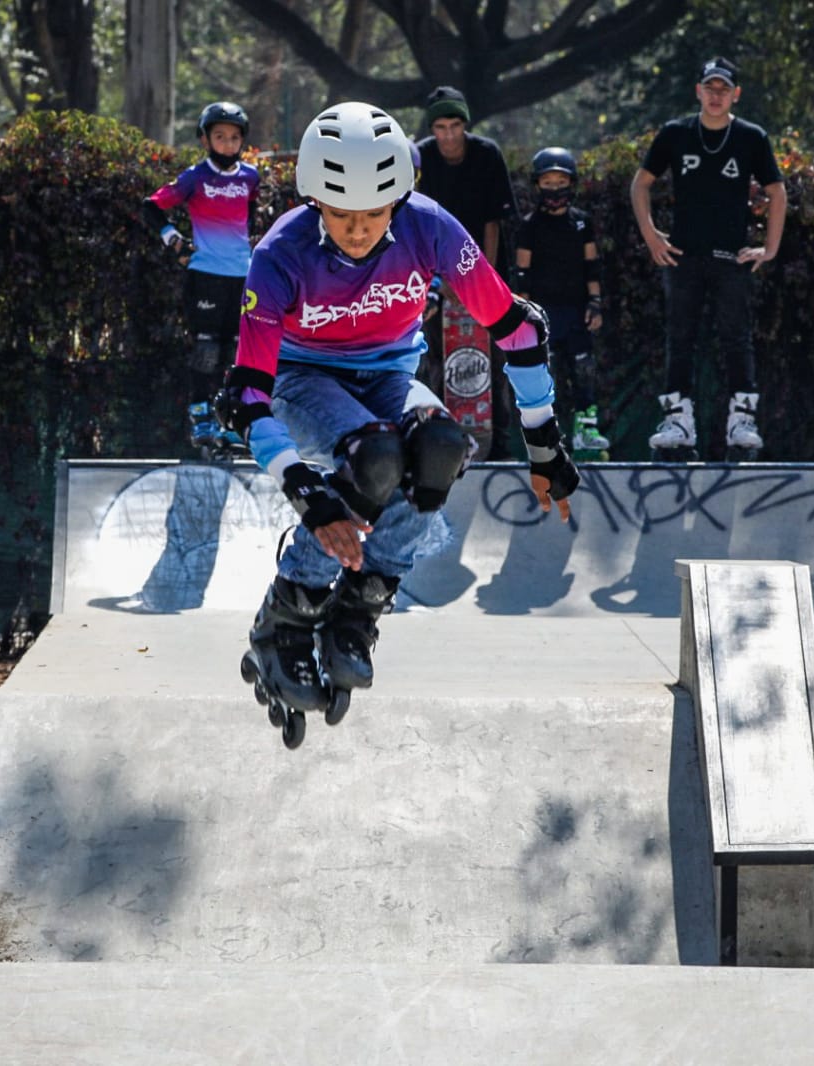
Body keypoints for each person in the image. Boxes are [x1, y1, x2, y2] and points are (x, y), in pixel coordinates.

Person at [213, 102, 579, 740]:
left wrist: (545, 447)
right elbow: (246, 396)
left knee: (441, 447)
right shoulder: (279, 255)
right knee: (377, 458)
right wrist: (309, 493)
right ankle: (288, 615)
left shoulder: (429, 227)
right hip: (305, 379)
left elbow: (519, 329)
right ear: (313, 201)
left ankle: (359, 610)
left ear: (400, 200)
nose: (358, 231)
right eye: (341, 213)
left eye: (374, 214)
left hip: (387, 377)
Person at [631, 56, 787, 457]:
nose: (716, 96)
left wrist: (769, 248)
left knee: (736, 337)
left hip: (731, 257)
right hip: (683, 254)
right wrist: (651, 237)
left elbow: (778, 191)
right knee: (680, 337)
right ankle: (679, 420)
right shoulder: (675, 133)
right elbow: (641, 184)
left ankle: (742, 420)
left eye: (724, 89)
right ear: (698, 91)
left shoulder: (751, 137)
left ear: (735, 94)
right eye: (709, 88)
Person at [141, 101, 259, 453]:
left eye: (234, 137)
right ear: (205, 140)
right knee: (206, 351)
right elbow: (151, 206)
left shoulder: (251, 177)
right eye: (219, 136)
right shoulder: (195, 177)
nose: (227, 143)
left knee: (237, 354)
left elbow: (248, 221)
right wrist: (172, 238)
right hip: (204, 275)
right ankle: (201, 417)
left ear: (242, 141)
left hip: (242, 277)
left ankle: (233, 419)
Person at [415, 86, 519, 457]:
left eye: (454, 126)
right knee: (436, 359)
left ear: (464, 125)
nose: (447, 136)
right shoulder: (422, 158)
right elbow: (417, 227)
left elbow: (494, 222)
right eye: (440, 127)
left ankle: (500, 444)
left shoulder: (486, 154)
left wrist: (481, 281)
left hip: (482, 271)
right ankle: (438, 444)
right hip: (435, 277)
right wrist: (438, 284)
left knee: (492, 360)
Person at [511, 146, 607, 453]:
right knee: (543, 376)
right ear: (537, 185)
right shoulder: (529, 225)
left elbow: (592, 266)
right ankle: (544, 434)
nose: (555, 190)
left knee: (583, 369)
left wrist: (595, 303)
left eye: (561, 183)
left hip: (577, 310)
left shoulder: (581, 223)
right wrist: (525, 316)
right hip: (543, 312)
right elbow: (521, 273)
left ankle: (587, 430)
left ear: (573, 184)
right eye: (548, 183)